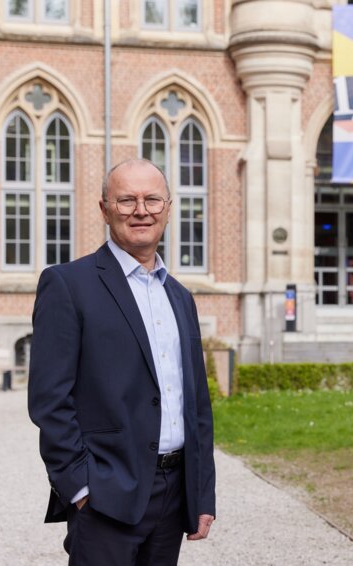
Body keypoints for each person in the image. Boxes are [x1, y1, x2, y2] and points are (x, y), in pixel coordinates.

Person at [28, 158, 215, 566]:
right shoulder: (68, 284)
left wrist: (201, 493)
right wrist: (80, 489)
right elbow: (48, 400)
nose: (141, 210)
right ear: (104, 209)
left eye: (152, 199)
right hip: (105, 496)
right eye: (127, 200)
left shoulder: (180, 297)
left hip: (174, 492)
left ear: (168, 207)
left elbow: (196, 403)